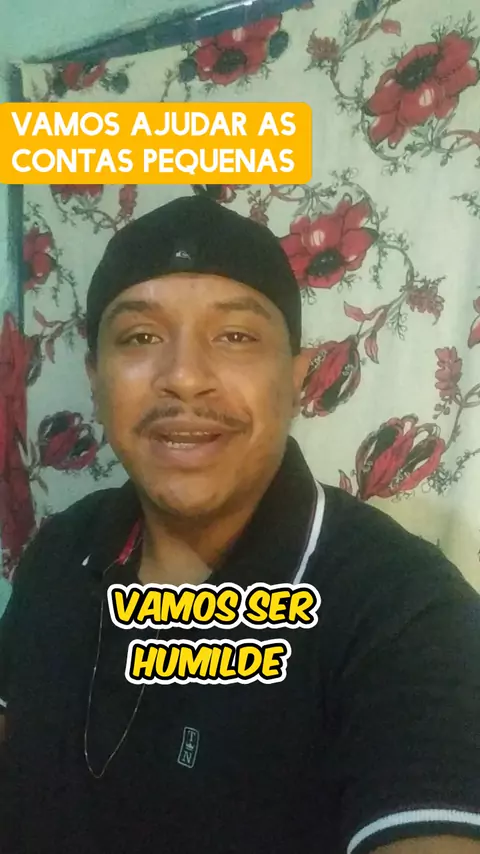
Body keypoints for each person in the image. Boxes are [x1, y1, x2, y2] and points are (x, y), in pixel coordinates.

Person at [0, 195, 479, 854]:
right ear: (95, 378)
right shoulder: (64, 549)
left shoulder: (403, 610)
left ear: (297, 378)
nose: (184, 378)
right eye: (140, 337)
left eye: (235, 337)